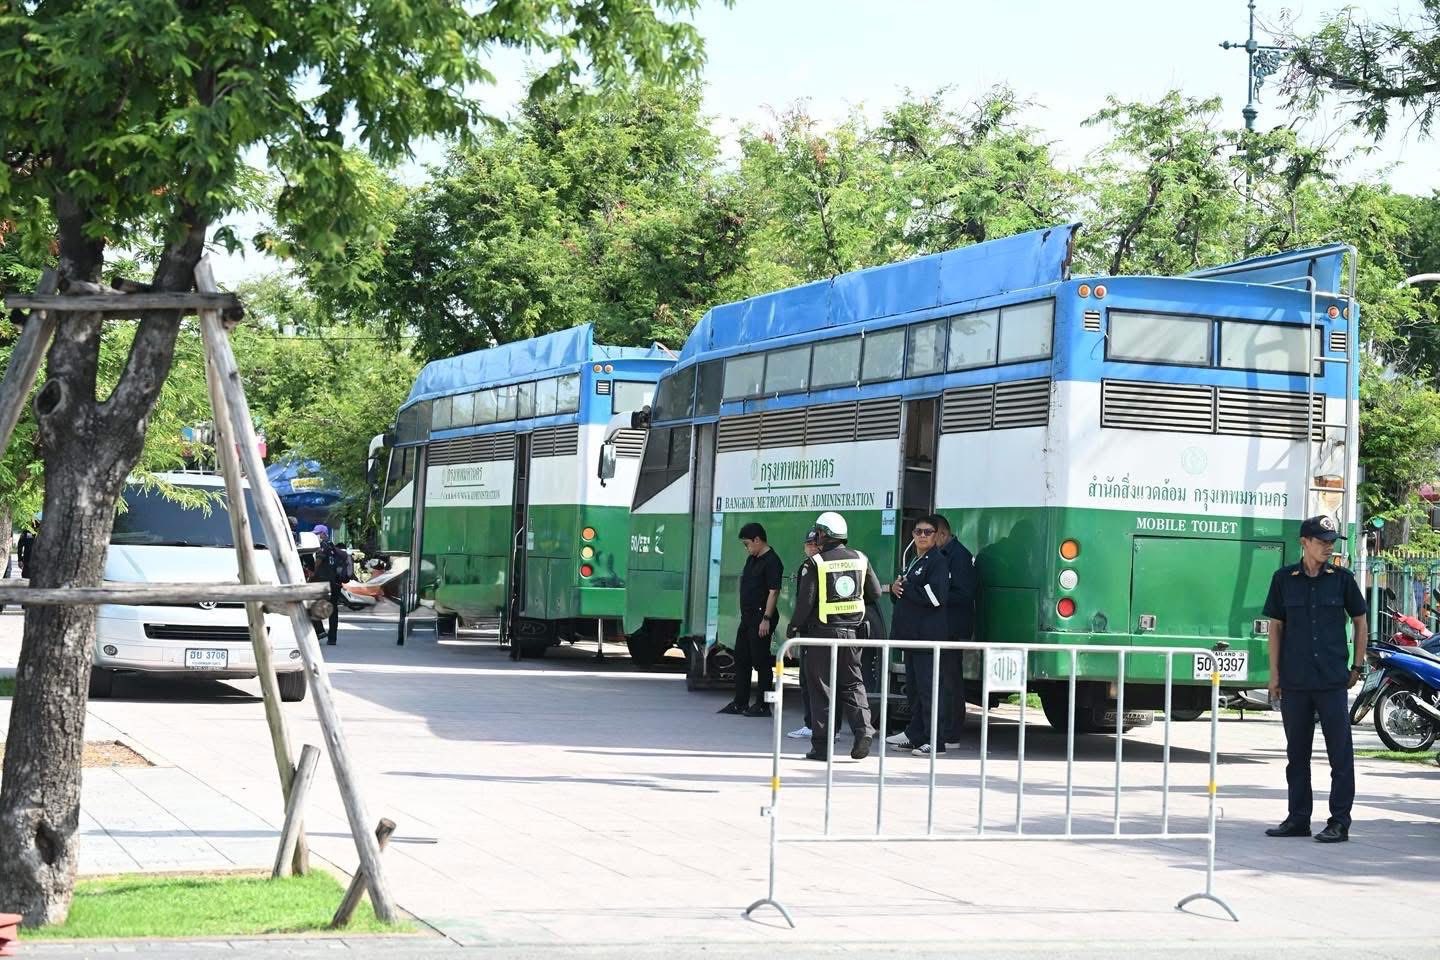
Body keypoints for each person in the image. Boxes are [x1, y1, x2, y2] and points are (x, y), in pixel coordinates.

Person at [1262, 514, 1368, 844]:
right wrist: (1274, 674)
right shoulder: (1284, 579)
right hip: (1295, 680)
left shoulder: (1342, 579)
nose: (1328, 547)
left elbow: (1360, 621)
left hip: (1332, 680)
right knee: (1297, 756)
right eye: (1322, 541)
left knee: (1340, 755)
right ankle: (1298, 819)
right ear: (1304, 543)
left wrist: (1357, 666)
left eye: (1331, 542)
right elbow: (1275, 628)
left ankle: (1339, 822)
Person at [790, 511, 880, 762]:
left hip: (822, 634)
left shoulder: (815, 563)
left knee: (821, 689)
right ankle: (864, 730)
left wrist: (793, 627)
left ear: (822, 534)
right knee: (853, 684)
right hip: (852, 633)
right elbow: (875, 593)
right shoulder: (860, 558)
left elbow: (805, 602)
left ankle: (822, 747)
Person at [885, 514, 951, 756]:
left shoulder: (938, 562)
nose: (922, 536)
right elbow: (905, 595)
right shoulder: (915, 560)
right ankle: (916, 735)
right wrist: (896, 589)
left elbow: (935, 597)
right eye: (918, 532)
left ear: (936, 536)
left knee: (929, 689)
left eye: (927, 532)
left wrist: (907, 587)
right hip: (912, 637)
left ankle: (936, 740)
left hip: (927, 637)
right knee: (914, 690)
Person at [719, 522, 783, 717]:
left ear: (757, 540)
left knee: (761, 660)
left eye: (747, 544)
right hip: (747, 618)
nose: (746, 548)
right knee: (741, 658)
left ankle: (763, 705)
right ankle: (740, 702)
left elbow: (773, 592)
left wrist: (766, 618)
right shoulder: (752, 560)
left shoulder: (772, 561)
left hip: (761, 617)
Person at [933, 514, 977, 744]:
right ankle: (942, 727)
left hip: (952, 626)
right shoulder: (940, 554)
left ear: (942, 534)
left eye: (930, 534)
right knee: (942, 679)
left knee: (951, 680)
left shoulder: (959, 556)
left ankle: (951, 731)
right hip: (940, 625)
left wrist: (935, 596)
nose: (925, 538)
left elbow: (965, 594)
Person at [786, 529, 823, 740]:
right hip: (825, 630)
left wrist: (793, 629)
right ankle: (829, 727)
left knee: (809, 680)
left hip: (813, 630)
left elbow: (804, 602)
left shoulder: (811, 566)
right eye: (808, 544)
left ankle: (812, 725)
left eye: (815, 544)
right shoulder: (821, 565)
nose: (811, 547)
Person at [308, 524, 348, 646]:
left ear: (323, 534)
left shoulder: (322, 546)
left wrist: (312, 574)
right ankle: (332, 638)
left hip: (323, 583)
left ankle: (319, 630)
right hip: (335, 583)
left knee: (311, 605)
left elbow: (318, 562)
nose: (316, 536)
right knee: (333, 610)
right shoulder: (333, 547)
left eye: (317, 534)